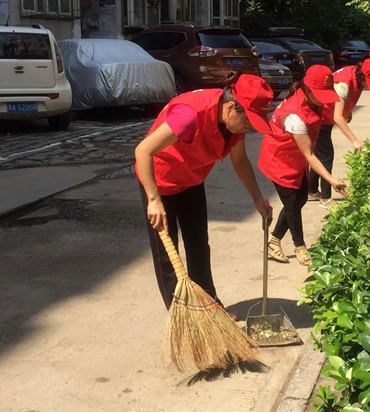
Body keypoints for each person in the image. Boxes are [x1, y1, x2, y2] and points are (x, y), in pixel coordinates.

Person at [134, 72, 273, 314]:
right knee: (168, 254)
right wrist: (153, 200)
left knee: (199, 244)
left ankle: (210, 305)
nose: (248, 128)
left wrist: (257, 199)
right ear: (232, 108)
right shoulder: (189, 116)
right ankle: (182, 316)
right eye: (248, 121)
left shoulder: (234, 124)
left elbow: (240, 161)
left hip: (191, 178)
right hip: (160, 181)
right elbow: (143, 151)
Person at [258, 65, 347, 266]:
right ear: (306, 90)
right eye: (319, 94)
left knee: (299, 200)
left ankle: (273, 241)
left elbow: (330, 114)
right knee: (292, 205)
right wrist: (331, 180)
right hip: (280, 160)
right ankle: (299, 246)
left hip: (296, 158)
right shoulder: (294, 115)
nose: (323, 100)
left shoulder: (313, 101)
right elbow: (310, 155)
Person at [308, 58, 370, 208]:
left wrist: (347, 111)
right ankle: (325, 198)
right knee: (326, 156)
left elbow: (346, 101)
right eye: (369, 81)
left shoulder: (355, 74)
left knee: (320, 154)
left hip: (327, 117)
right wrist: (354, 140)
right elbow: (337, 117)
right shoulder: (343, 83)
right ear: (363, 75)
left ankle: (311, 189)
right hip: (320, 117)